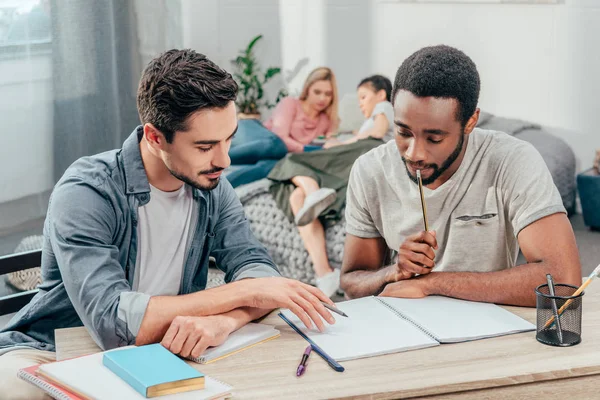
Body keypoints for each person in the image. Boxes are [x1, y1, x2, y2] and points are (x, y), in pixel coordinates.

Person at [0, 49, 336, 400]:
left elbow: (256, 270)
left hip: (161, 354)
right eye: (205, 146)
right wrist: (242, 292)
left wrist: (224, 321)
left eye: (229, 139)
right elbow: (115, 323)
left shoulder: (214, 188)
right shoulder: (87, 191)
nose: (225, 159)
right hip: (55, 349)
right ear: (155, 136)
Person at [340, 45, 581, 305]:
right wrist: (395, 271)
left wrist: (432, 284)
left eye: (434, 138)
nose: (414, 153)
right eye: (404, 132)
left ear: (470, 122)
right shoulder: (370, 170)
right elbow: (353, 283)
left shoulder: (512, 160)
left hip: (490, 327)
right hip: (404, 329)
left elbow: (562, 282)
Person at [267, 75, 395, 297]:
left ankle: (314, 191)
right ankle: (324, 273)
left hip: (364, 151)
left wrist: (344, 143)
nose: (361, 104)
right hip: (356, 157)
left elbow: (377, 133)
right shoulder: (372, 117)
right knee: (297, 197)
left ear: (381, 94)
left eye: (364, 97)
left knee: (289, 161)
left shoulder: (385, 106)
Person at [226, 67, 340, 187]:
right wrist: (311, 150)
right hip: (252, 134)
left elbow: (332, 144)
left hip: (275, 154)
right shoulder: (290, 103)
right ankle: (217, 158)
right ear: (307, 90)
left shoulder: (327, 120)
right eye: (317, 92)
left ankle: (221, 189)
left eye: (328, 94)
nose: (322, 98)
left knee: (275, 165)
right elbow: (281, 137)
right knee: (277, 145)